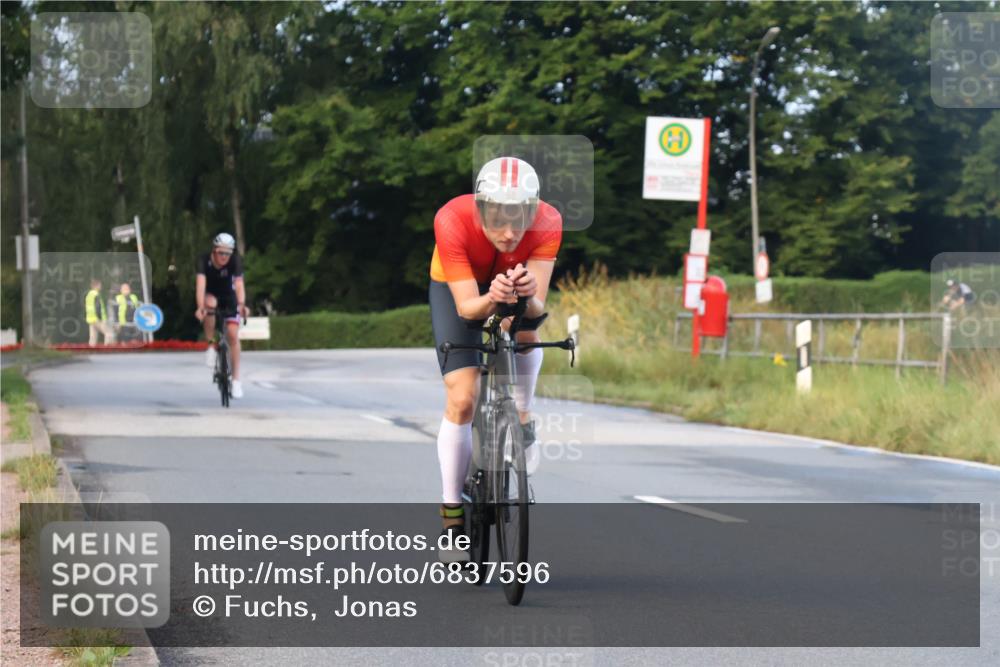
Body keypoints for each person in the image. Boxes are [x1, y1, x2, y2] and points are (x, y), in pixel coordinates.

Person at [429, 157, 562, 562]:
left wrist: (527, 293)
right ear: (481, 209)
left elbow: (537, 309)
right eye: (498, 221)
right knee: (463, 398)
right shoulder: (452, 219)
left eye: (518, 222)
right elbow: (468, 309)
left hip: (510, 283)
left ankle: (522, 416)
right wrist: (492, 298)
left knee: (526, 332)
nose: (508, 233)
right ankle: (452, 516)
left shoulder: (549, 221)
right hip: (460, 290)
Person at [195, 233, 248, 399]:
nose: (224, 256)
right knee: (209, 304)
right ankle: (211, 345)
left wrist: (241, 304)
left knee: (232, 335)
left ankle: (236, 381)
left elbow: (239, 284)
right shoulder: (204, 260)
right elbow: (200, 286)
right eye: (221, 252)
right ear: (214, 250)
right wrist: (200, 307)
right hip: (210, 294)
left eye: (228, 253)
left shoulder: (235, 260)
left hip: (229, 296)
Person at [84, 278, 114, 346]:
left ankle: (91, 349)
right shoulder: (96, 295)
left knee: (93, 337)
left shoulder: (89, 295)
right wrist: (100, 317)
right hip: (98, 319)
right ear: (96, 286)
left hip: (90, 319)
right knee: (109, 333)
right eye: (100, 285)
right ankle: (108, 348)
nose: (101, 287)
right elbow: (97, 307)